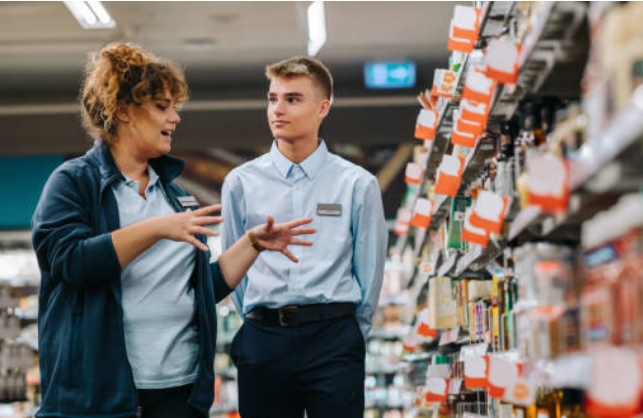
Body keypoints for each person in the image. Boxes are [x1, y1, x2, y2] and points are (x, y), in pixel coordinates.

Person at [31, 42, 315, 418]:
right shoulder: (74, 183)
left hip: (177, 393)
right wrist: (157, 228)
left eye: (175, 108)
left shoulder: (175, 196)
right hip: (99, 396)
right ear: (123, 111)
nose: (175, 118)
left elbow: (199, 289)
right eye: (162, 107)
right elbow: (69, 262)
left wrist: (252, 244)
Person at [221, 56, 388, 418]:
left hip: (334, 339)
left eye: (292, 99)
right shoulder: (240, 183)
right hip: (263, 339)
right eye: (272, 98)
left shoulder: (357, 184)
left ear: (322, 108)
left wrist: (351, 336)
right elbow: (234, 271)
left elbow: (370, 270)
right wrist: (255, 318)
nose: (277, 109)